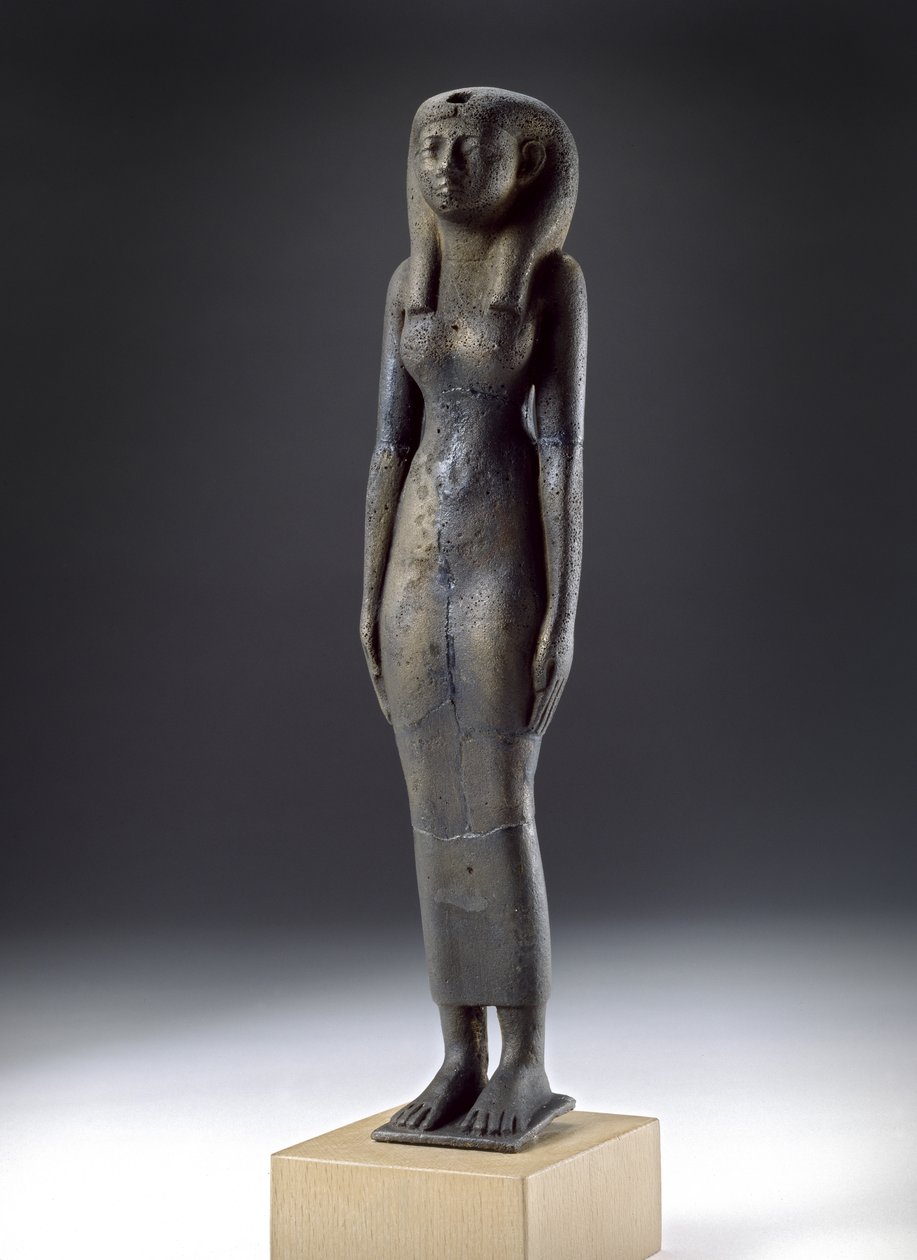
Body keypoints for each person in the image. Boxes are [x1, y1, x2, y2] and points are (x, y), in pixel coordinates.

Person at [360, 86, 586, 1146]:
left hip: (501, 563)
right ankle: (457, 1050)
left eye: (469, 147)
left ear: (525, 163)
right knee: (427, 808)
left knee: (495, 804)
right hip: (413, 561)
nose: (446, 165)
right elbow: (388, 446)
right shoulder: (408, 283)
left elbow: (562, 453)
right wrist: (366, 591)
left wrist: (563, 612)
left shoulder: (550, 283)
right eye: (432, 146)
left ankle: (525, 1059)